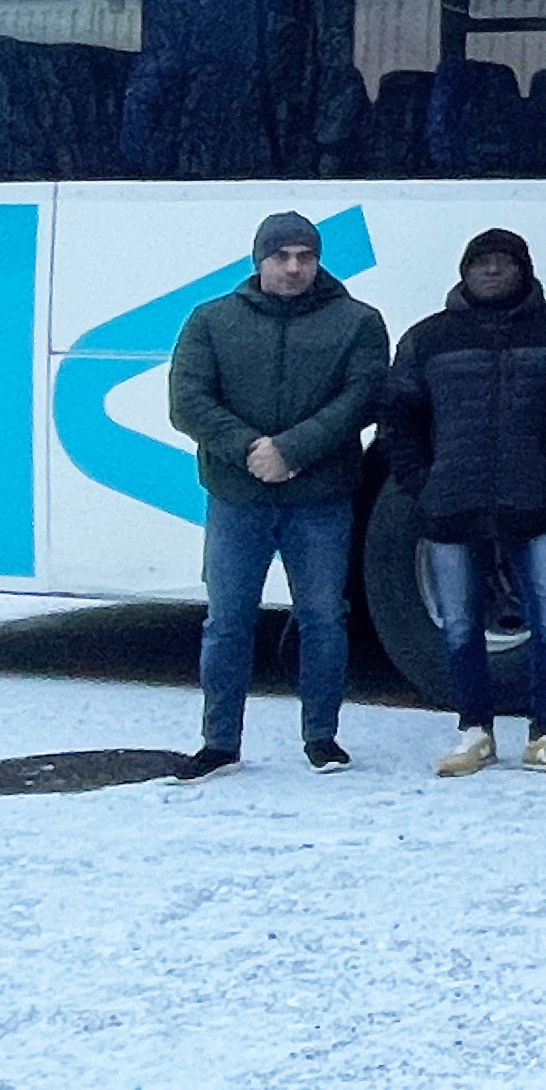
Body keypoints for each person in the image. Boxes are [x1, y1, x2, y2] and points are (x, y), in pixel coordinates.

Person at [379, 228, 546, 779]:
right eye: (479, 262)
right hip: (450, 506)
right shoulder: (427, 338)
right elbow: (396, 416)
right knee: (459, 624)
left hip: (538, 505)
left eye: (503, 262)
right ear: (464, 271)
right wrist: (421, 482)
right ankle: (473, 731)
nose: (490, 271)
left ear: (524, 271)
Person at [167, 211, 390, 780]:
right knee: (226, 622)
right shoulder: (211, 321)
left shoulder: (359, 323)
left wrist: (292, 449)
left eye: (306, 257)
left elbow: (362, 398)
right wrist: (250, 449)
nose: (294, 268)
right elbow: (187, 401)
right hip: (236, 497)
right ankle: (220, 741)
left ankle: (322, 736)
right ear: (259, 260)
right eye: (282, 256)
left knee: (322, 620)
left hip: (321, 499)